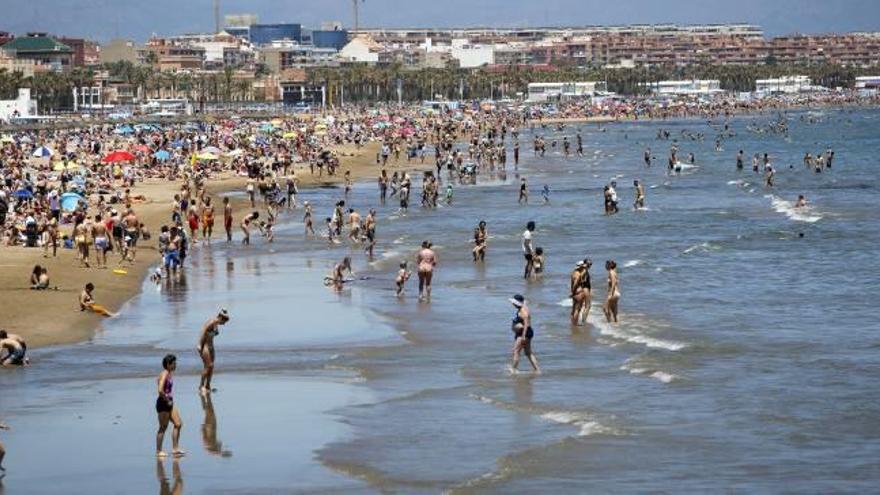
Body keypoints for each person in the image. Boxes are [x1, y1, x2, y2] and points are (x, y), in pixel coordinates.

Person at [156, 354, 184, 458]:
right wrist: (167, 400)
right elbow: (160, 390)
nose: (175, 365)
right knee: (163, 427)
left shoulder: (169, 373)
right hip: (163, 403)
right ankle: (159, 451)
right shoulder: (164, 374)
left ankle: (175, 449)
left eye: (175, 363)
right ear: (168, 364)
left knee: (178, 423)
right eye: (174, 363)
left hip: (169, 403)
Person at [197, 308, 230, 395]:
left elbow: (214, 333)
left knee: (211, 367)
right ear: (220, 318)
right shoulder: (211, 322)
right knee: (208, 366)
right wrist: (199, 344)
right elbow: (203, 331)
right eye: (224, 322)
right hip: (205, 346)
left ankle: (208, 385)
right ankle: (201, 386)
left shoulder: (216, 324)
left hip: (211, 347)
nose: (224, 324)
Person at [509, 295, 540, 373]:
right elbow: (524, 302)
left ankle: (513, 369)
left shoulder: (523, 311)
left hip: (523, 333)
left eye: (514, 303)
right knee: (528, 353)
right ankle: (537, 370)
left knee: (515, 351)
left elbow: (526, 323)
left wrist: (523, 336)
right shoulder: (523, 307)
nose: (512, 304)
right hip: (525, 332)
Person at [570, 259, 592, 326]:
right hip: (584, 289)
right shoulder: (583, 271)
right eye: (589, 264)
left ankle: (574, 323)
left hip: (580, 290)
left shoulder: (576, 272)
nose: (590, 266)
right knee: (587, 306)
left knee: (576, 308)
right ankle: (583, 321)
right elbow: (579, 281)